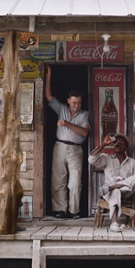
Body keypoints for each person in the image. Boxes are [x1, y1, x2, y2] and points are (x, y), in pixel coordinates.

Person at [45, 64, 90, 219]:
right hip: (59, 146)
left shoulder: (84, 114)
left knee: (75, 181)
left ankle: (74, 211)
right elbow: (49, 97)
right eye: (73, 102)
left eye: (78, 102)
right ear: (68, 101)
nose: (76, 105)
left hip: (75, 149)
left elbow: (84, 132)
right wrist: (49, 75)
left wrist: (67, 124)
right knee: (58, 180)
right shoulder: (62, 109)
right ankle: (61, 209)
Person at [88, 133, 135, 232]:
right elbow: (91, 159)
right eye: (116, 142)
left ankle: (113, 187)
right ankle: (114, 223)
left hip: (126, 192)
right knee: (116, 191)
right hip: (109, 193)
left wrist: (120, 185)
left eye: (121, 143)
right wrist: (104, 144)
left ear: (126, 147)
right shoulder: (107, 158)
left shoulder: (133, 162)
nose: (117, 144)